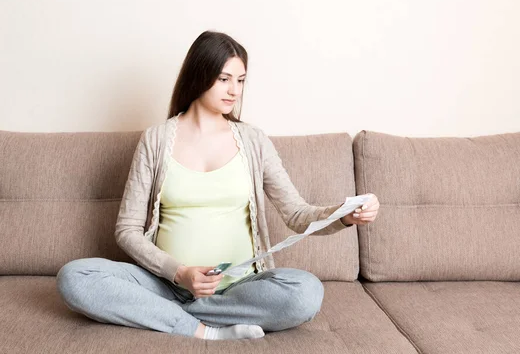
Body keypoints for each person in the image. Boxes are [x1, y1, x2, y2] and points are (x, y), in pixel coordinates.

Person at [56, 30, 380, 340]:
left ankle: (170, 316)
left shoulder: (253, 141)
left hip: (239, 288)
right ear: (200, 75)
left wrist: (345, 214)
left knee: (306, 292)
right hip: (165, 284)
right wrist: (180, 273)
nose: (234, 91)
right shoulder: (155, 140)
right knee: (75, 278)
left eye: (240, 81)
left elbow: (297, 213)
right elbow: (126, 230)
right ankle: (203, 329)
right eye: (224, 79)